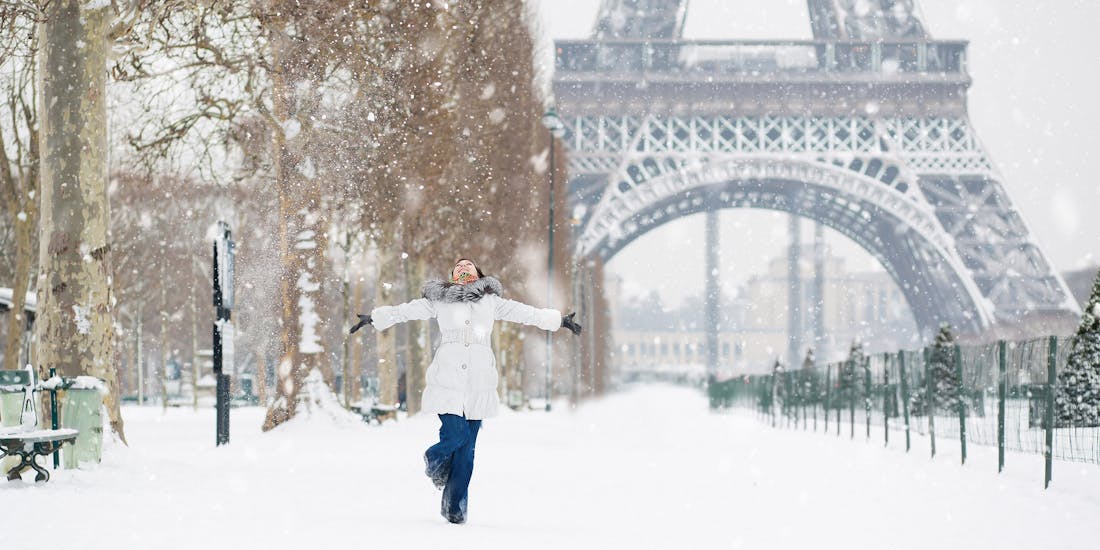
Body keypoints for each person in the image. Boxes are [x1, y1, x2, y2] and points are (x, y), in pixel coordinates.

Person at [349, 258, 582, 524]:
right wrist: (374, 318)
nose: (463, 267)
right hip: (447, 380)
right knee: (455, 435)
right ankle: (433, 457)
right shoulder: (440, 300)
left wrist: (558, 321)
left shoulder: (491, 302)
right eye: (458, 267)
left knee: (467, 452)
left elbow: (525, 313)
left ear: (478, 274)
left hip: (479, 383)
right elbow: (405, 311)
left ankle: (454, 508)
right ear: (452, 276)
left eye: (468, 265)